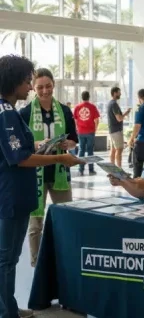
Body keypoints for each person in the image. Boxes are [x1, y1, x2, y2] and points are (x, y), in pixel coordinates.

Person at [0, 55, 83, 318]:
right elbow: (19, 157)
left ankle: (9, 307)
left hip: (16, 195)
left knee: (10, 259)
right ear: (14, 82)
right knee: (6, 259)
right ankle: (6, 311)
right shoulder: (8, 114)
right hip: (11, 197)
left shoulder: (11, 112)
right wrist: (58, 157)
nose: (30, 87)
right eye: (28, 82)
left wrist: (38, 146)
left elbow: (20, 149)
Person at [20, 68, 79, 268]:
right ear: (34, 88)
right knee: (35, 225)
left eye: (48, 86)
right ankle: (37, 265)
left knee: (65, 219)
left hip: (60, 172)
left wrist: (67, 144)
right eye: (40, 87)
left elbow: (74, 140)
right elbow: (21, 146)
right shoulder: (25, 113)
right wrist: (38, 144)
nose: (45, 91)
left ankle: (64, 263)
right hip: (35, 174)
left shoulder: (64, 110)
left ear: (54, 85)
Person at [73, 91, 100, 176]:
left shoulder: (77, 107)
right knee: (90, 151)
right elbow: (97, 120)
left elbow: (75, 120)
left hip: (80, 132)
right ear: (89, 97)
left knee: (81, 150)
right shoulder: (93, 107)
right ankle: (91, 170)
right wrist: (95, 129)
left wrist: (77, 128)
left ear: (82, 97)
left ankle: (81, 169)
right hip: (90, 131)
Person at [107, 86, 131, 167]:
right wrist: (126, 113)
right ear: (114, 93)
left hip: (112, 130)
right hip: (116, 131)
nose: (120, 93)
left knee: (113, 150)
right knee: (119, 150)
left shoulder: (110, 103)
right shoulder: (114, 104)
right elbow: (119, 118)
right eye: (119, 92)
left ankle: (113, 170)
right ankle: (119, 170)